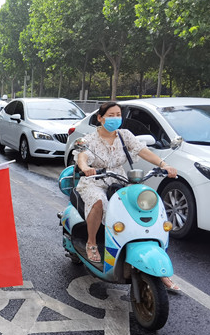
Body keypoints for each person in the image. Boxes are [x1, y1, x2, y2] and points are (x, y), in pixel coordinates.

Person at [75, 101, 180, 291]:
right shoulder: (90, 138)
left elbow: (144, 151)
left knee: (142, 204)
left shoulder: (125, 136)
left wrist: (164, 165)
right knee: (99, 201)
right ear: (100, 118)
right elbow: (82, 156)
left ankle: (158, 267)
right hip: (95, 179)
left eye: (118, 115)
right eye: (111, 115)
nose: (115, 118)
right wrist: (85, 168)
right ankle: (92, 242)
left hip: (118, 178)